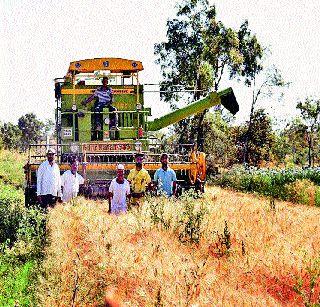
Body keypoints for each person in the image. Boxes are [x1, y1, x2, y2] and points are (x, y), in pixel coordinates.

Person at [81, 76, 118, 140]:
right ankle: (98, 125)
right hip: (100, 104)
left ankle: (114, 125)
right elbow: (92, 97)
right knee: (96, 110)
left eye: (106, 81)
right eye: (104, 81)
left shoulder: (110, 89)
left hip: (107, 104)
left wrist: (111, 101)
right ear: (102, 82)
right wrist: (85, 102)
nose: (105, 82)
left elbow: (112, 97)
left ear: (107, 82)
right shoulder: (98, 90)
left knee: (114, 110)